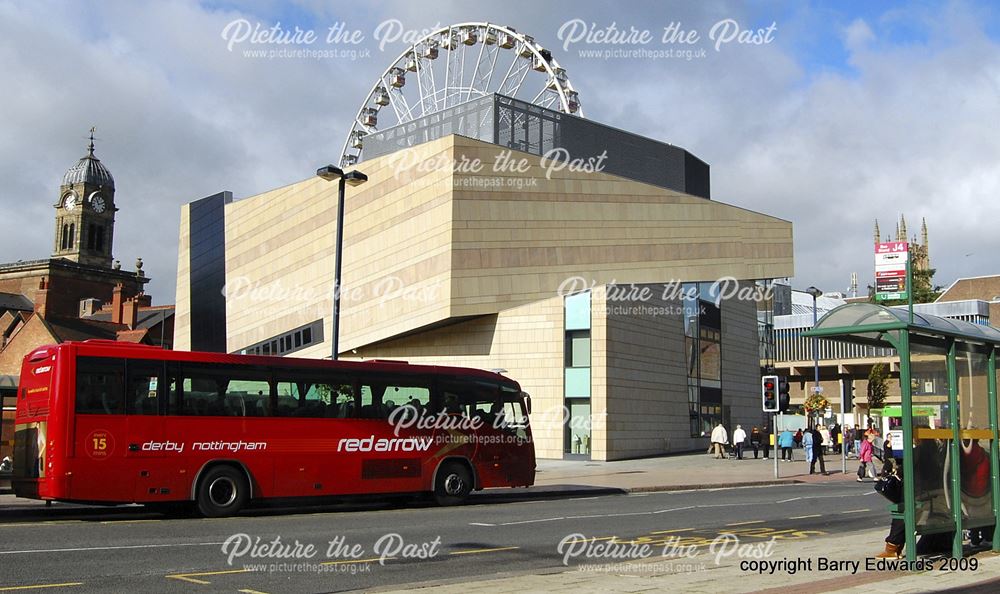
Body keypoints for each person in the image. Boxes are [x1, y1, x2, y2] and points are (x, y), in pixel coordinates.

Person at [875, 459, 905, 558]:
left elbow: (903, 471)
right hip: (934, 498)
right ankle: (896, 547)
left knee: (901, 510)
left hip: (917, 498)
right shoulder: (939, 452)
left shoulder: (918, 453)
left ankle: (892, 548)